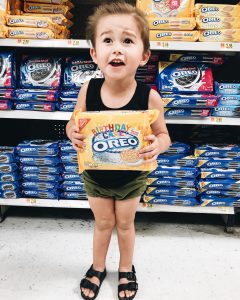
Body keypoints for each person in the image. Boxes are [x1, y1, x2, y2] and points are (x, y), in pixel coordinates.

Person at [66, 2, 171, 299]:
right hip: (96, 176)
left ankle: (126, 268)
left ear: (145, 55)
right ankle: (98, 267)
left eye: (127, 40)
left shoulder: (149, 97)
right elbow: (73, 122)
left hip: (132, 177)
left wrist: (157, 146)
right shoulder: (88, 89)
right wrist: (72, 131)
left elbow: (164, 136)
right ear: (94, 53)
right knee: (103, 223)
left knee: (125, 224)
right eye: (107, 40)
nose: (117, 49)